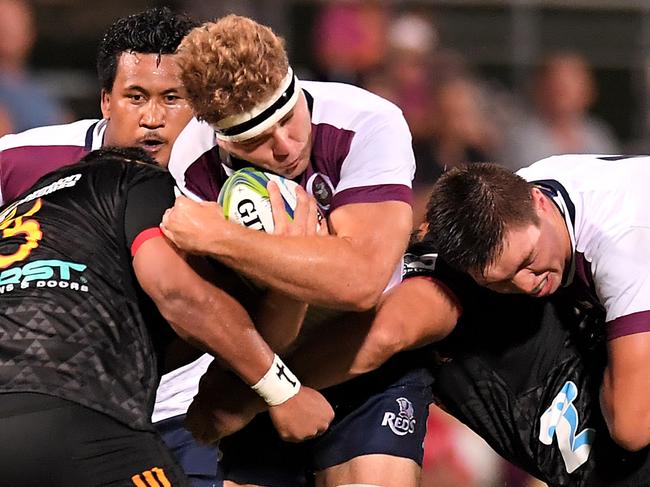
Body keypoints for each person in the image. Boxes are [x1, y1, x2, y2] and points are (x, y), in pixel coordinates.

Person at [160, 14, 423, 487]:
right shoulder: (192, 161)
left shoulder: (368, 122)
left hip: (361, 349)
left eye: (288, 116)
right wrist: (298, 275)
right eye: (256, 140)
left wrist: (225, 238)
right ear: (221, 136)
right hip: (264, 361)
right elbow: (220, 319)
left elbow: (361, 282)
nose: (285, 147)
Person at [0, 146, 334, 486]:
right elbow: (174, 289)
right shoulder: (131, 177)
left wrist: (283, 288)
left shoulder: (17, 221)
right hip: (80, 421)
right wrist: (285, 392)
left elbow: (207, 403)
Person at [0, 7, 224, 485]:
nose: (153, 118)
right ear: (105, 101)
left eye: (174, 99)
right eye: (136, 96)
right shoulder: (22, 161)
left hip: (188, 407)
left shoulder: (230, 174)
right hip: (70, 399)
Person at [424, 157, 650, 452]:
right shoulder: (513, 194)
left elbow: (632, 428)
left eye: (528, 260)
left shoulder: (621, 251)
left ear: (538, 201)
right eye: (499, 282)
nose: (526, 285)